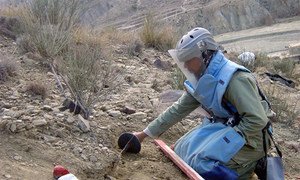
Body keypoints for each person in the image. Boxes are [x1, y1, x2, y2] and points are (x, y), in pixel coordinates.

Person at [133, 27, 274, 179]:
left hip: (252, 138)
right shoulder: (204, 77)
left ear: (205, 54)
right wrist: (143, 134)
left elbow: (257, 120)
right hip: (226, 126)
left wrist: (227, 143)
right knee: (181, 149)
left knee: (203, 165)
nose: (186, 66)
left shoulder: (235, 79)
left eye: (189, 60)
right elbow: (178, 109)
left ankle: (248, 168)